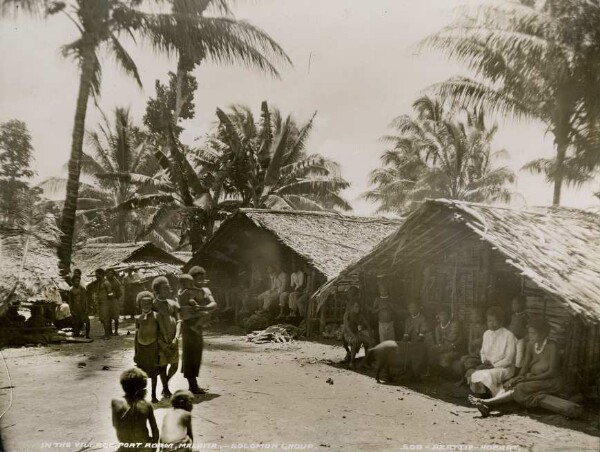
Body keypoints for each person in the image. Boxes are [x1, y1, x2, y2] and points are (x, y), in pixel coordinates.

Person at [469, 317, 562, 418]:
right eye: (529, 332)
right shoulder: (531, 345)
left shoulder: (552, 346)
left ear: (543, 334)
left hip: (549, 381)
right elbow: (525, 367)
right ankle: (489, 407)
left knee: (520, 387)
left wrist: (529, 378)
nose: (530, 336)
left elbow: (552, 372)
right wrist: (516, 378)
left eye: (533, 333)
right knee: (509, 385)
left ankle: (486, 402)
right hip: (532, 378)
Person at [467, 306, 517, 397]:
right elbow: (482, 351)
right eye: (489, 321)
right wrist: (484, 361)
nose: (491, 323)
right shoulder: (486, 333)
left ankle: (493, 396)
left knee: (485, 374)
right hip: (488, 365)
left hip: (504, 368)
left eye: (494, 321)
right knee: (474, 373)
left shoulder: (509, 336)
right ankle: (482, 395)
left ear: (501, 321)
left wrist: (493, 365)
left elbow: (509, 360)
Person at [182, 266, 217, 394]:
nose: (201, 281)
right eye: (198, 279)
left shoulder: (205, 290)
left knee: (197, 353)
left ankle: (194, 383)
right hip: (188, 324)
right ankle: (192, 384)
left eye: (203, 278)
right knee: (189, 354)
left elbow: (214, 304)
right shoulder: (186, 291)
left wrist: (203, 308)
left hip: (198, 324)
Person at [111, 368, 159, 452]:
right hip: (144, 447)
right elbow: (155, 430)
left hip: (125, 448)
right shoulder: (146, 405)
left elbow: (115, 424)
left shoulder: (115, 402)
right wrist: (153, 449)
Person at [152, 276, 181, 399]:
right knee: (163, 366)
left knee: (174, 365)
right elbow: (152, 325)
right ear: (157, 290)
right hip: (160, 340)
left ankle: (165, 384)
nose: (168, 290)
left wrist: (176, 337)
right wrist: (161, 342)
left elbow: (179, 320)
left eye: (168, 288)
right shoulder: (153, 304)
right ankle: (166, 388)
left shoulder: (173, 303)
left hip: (173, 338)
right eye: (164, 289)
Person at [134, 291, 160, 403]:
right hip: (141, 348)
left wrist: (160, 349)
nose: (146, 306)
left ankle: (154, 395)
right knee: (141, 373)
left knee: (154, 373)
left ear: (152, 304)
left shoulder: (156, 316)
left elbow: (160, 333)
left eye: (148, 303)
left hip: (153, 348)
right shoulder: (138, 318)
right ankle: (141, 395)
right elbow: (136, 335)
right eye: (143, 304)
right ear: (139, 305)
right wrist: (136, 351)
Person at [453, 307, 486, 385]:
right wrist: (470, 351)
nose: (472, 317)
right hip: (473, 352)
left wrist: (479, 341)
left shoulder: (484, 327)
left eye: (474, 315)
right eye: (471, 315)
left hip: (482, 354)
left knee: (469, 362)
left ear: (479, 316)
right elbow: (470, 341)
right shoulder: (472, 326)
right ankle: (463, 380)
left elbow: (485, 342)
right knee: (463, 359)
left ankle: (473, 381)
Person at [342, 289, 374, 369]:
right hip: (348, 334)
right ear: (352, 307)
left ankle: (364, 362)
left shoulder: (359, 315)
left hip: (357, 333)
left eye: (359, 307)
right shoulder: (347, 314)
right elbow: (347, 327)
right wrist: (353, 336)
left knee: (372, 342)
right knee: (355, 341)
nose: (358, 308)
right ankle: (352, 362)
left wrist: (370, 335)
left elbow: (367, 325)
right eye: (356, 307)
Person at [430, 305, 462, 372]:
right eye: (440, 315)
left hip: (453, 347)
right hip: (443, 347)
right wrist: (440, 345)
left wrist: (453, 344)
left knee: (446, 357)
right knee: (433, 352)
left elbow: (460, 337)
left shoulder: (453, 325)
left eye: (444, 314)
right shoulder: (438, 328)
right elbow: (438, 340)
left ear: (448, 315)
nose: (442, 316)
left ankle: (447, 372)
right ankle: (438, 372)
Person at [90, 268, 113, 339]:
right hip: (101, 303)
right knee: (103, 319)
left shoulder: (106, 283)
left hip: (105, 303)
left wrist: (107, 302)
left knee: (106, 319)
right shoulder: (99, 283)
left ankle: (107, 335)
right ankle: (106, 333)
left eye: (97, 275)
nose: (96, 277)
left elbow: (110, 294)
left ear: (101, 275)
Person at [508, 294, 528, 373]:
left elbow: (527, 327)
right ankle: (511, 368)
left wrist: (525, 336)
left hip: (520, 338)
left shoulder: (524, 316)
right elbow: (511, 326)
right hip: (512, 338)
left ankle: (518, 369)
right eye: (512, 304)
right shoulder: (513, 316)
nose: (513, 306)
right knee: (512, 353)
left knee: (519, 354)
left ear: (523, 305)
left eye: (516, 304)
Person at [372, 276, 395, 342]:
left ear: (387, 290)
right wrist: (380, 308)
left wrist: (390, 306)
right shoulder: (377, 299)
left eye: (385, 290)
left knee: (391, 341)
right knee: (383, 340)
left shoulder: (390, 299)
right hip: (382, 324)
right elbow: (373, 311)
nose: (383, 292)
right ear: (379, 291)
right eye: (382, 290)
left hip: (390, 323)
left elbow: (394, 310)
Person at [69, 274, 90, 338]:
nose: (77, 282)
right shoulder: (71, 290)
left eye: (78, 281)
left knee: (87, 321)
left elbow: (86, 299)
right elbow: (70, 301)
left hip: (82, 307)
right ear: (73, 282)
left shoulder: (83, 289)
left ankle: (87, 335)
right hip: (75, 308)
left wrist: (87, 308)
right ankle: (77, 334)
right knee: (76, 323)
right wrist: (71, 310)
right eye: (76, 281)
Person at [106, 269, 123, 336]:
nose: (109, 274)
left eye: (111, 273)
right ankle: (109, 331)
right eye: (108, 273)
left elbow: (120, 293)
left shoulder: (116, 282)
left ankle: (116, 331)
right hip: (107, 300)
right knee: (108, 316)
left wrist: (115, 297)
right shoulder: (105, 281)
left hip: (114, 300)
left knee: (115, 316)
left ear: (113, 274)